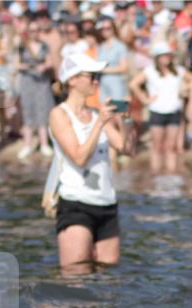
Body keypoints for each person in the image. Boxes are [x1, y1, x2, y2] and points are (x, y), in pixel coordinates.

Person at [47, 53, 134, 275]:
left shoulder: (96, 114)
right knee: (76, 275)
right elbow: (79, 157)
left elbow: (127, 149)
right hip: (76, 203)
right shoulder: (59, 114)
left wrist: (126, 120)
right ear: (72, 80)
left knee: (108, 277)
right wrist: (101, 123)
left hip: (106, 202)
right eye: (91, 76)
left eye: (97, 76)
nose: (96, 81)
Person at [130, 42, 185, 173]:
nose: (166, 58)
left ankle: (171, 176)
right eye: (163, 55)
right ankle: (157, 176)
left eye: (168, 55)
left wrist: (185, 90)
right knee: (157, 147)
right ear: (157, 57)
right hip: (157, 111)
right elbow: (133, 84)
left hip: (174, 110)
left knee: (171, 146)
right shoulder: (150, 71)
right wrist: (145, 99)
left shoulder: (178, 70)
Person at [17, 23, 55, 160]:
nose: (34, 32)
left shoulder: (45, 46)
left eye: (37, 30)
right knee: (28, 110)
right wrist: (28, 66)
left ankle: (44, 144)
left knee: (43, 109)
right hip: (27, 81)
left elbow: (50, 62)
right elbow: (16, 64)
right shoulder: (22, 46)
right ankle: (27, 145)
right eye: (32, 30)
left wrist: (44, 66)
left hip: (42, 81)